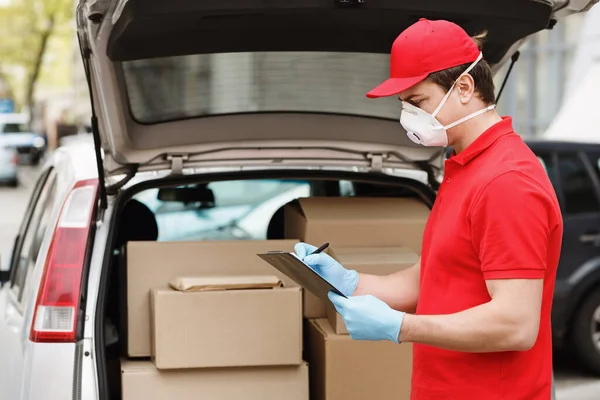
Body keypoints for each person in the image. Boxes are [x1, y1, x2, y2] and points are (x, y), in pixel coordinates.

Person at [295, 18, 563, 400]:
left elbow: (516, 325)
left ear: (465, 87)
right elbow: (427, 283)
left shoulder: (507, 182)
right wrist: (347, 281)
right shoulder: (464, 168)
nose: (408, 117)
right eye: (404, 105)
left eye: (417, 102)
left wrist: (402, 327)